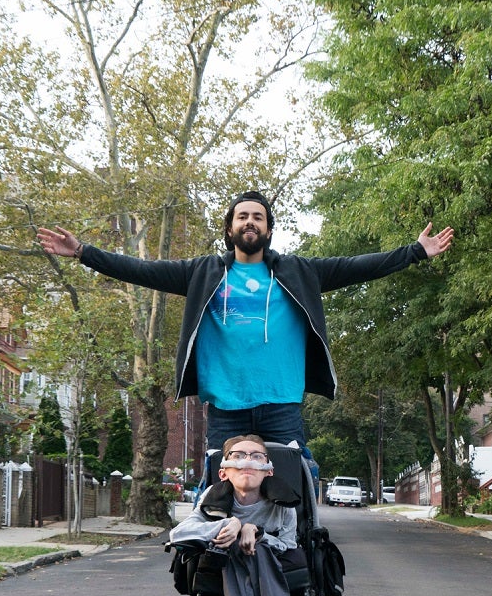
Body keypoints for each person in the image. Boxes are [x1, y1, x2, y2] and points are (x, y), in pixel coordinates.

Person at [37, 190, 454, 450]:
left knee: (293, 493)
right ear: (230, 228)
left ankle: (299, 581)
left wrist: (414, 252)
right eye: (242, 216)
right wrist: (84, 253)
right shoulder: (201, 274)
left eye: (257, 217)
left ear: (268, 229)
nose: (249, 222)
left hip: (281, 404)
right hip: (225, 407)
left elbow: (357, 266)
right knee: (218, 499)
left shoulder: (298, 271)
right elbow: (141, 270)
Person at [167, 434, 303, 596]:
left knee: (258, 547)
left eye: (256, 456)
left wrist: (256, 532)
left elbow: (288, 542)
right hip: (228, 563)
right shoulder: (213, 496)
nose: (247, 461)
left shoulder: (283, 503)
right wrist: (230, 525)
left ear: (267, 471)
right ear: (223, 473)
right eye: (238, 456)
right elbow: (178, 533)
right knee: (231, 545)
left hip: (271, 566)